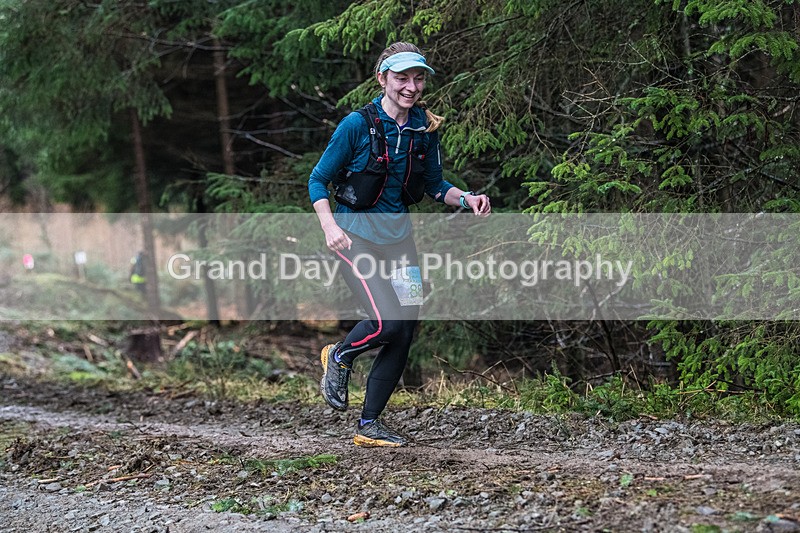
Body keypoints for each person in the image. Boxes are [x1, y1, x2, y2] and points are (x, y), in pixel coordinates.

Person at [308, 42, 491, 447]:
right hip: (354, 238)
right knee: (385, 322)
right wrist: (328, 227)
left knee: (404, 330)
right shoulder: (356, 125)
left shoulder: (424, 128)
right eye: (402, 78)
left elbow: (432, 186)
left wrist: (467, 198)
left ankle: (369, 426)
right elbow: (317, 180)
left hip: (400, 245)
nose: (411, 86)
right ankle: (339, 356)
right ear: (383, 79)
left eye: (418, 78)